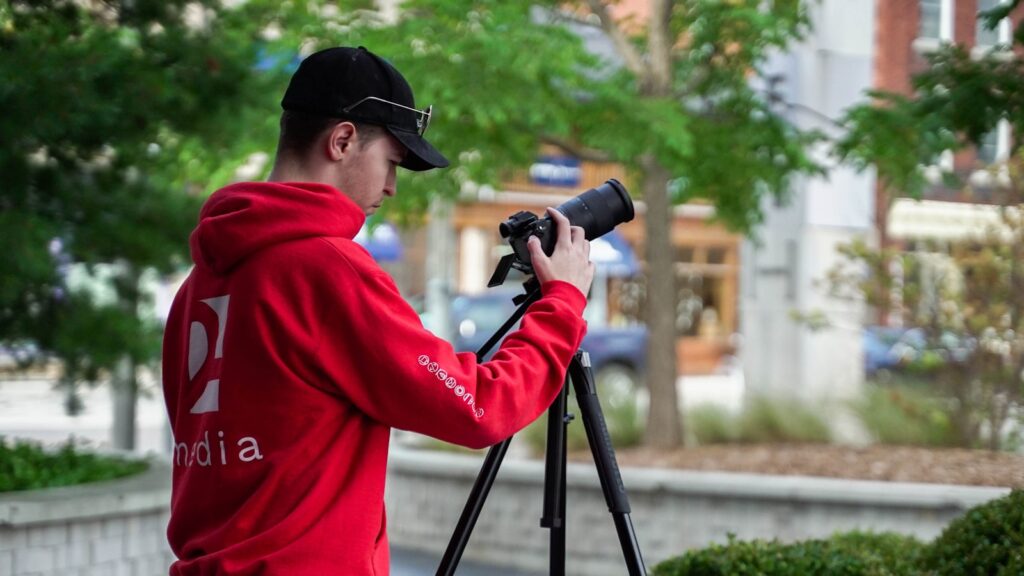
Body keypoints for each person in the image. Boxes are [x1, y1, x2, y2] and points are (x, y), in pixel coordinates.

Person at [161, 46, 594, 575]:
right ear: (343, 140)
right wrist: (563, 304)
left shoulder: (198, 284)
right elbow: (480, 408)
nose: (391, 186)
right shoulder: (327, 269)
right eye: (391, 161)